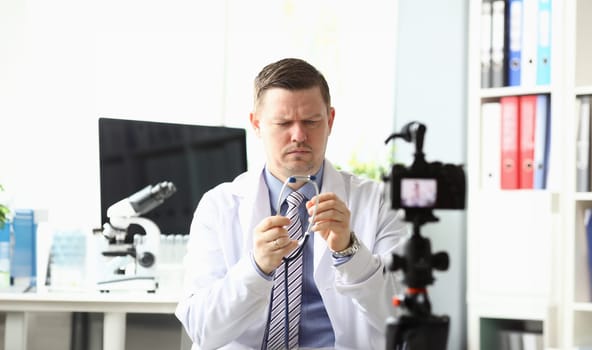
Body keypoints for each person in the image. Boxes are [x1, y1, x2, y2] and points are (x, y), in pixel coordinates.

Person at [175, 58, 408, 349]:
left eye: (311, 121)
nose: (298, 135)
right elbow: (202, 330)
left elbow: (402, 318)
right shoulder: (218, 206)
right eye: (283, 123)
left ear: (330, 120)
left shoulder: (378, 201)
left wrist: (351, 252)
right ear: (257, 125)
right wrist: (255, 267)